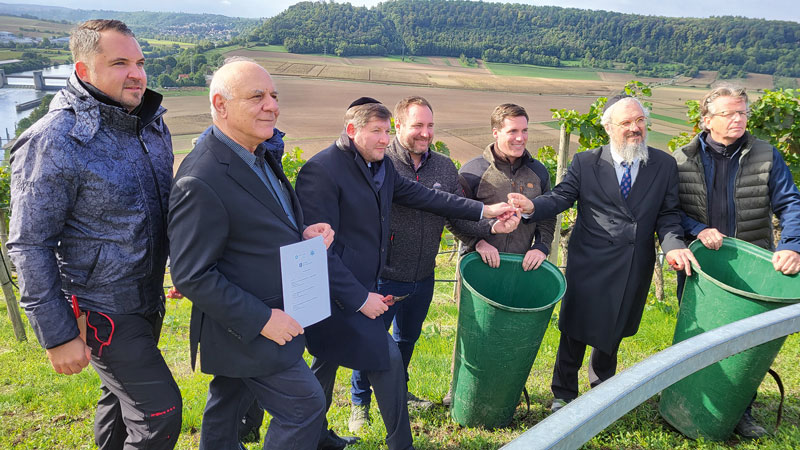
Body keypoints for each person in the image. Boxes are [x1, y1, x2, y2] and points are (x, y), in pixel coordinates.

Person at [294, 98, 515, 450]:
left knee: (341, 361)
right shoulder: (321, 170)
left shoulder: (379, 167)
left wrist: (484, 209)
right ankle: (372, 440)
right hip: (338, 292)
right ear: (352, 131)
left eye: (385, 131)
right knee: (365, 359)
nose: (384, 139)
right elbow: (318, 251)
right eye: (376, 132)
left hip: (364, 287)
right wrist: (359, 298)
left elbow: (428, 197)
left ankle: (326, 436)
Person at [8, 19, 181, 449]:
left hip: (147, 301)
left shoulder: (150, 126)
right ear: (84, 71)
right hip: (101, 313)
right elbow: (29, 243)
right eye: (120, 63)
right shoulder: (54, 139)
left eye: (140, 62)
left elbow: (162, 212)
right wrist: (58, 333)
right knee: (159, 414)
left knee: (121, 406)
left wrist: (183, 265)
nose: (137, 73)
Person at [168, 58, 332, 450]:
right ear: (220, 105)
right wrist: (263, 320)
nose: (272, 105)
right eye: (257, 96)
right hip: (251, 328)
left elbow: (257, 224)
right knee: (305, 406)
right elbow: (192, 274)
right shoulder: (202, 178)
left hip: (262, 322)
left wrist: (302, 232)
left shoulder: (257, 153)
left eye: (274, 95)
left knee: (228, 405)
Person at [519, 95, 698, 412]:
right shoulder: (586, 162)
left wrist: (674, 245)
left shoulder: (663, 164)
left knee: (613, 328)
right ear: (608, 127)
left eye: (640, 121)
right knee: (575, 327)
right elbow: (561, 197)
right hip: (589, 258)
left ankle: (601, 391)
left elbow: (669, 215)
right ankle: (563, 393)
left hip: (632, 263)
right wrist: (533, 206)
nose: (635, 128)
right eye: (627, 122)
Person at [674, 85, 800, 438]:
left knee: (747, 342)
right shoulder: (682, 159)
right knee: (695, 335)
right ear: (707, 119)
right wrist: (698, 229)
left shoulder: (766, 155)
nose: (738, 119)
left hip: (752, 265)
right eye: (729, 113)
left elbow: (791, 203)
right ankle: (686, 401)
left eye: (742, 112)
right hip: (701, 267)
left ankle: (740, 411)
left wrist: (792, 245)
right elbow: (672, 212)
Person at [440, 103, 556, 407]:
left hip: (520, 267)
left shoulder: (539, 172)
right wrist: (478, 242)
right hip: (480, 265)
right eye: (513, 131)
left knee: (511, 334)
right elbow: (454, 217)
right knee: (473, 333)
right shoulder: (473, 171)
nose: (521, 138)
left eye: (525, 130)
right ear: (495, 132)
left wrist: (541, 247)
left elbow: (547, 215)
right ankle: (460, 390)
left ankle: (505, 390)